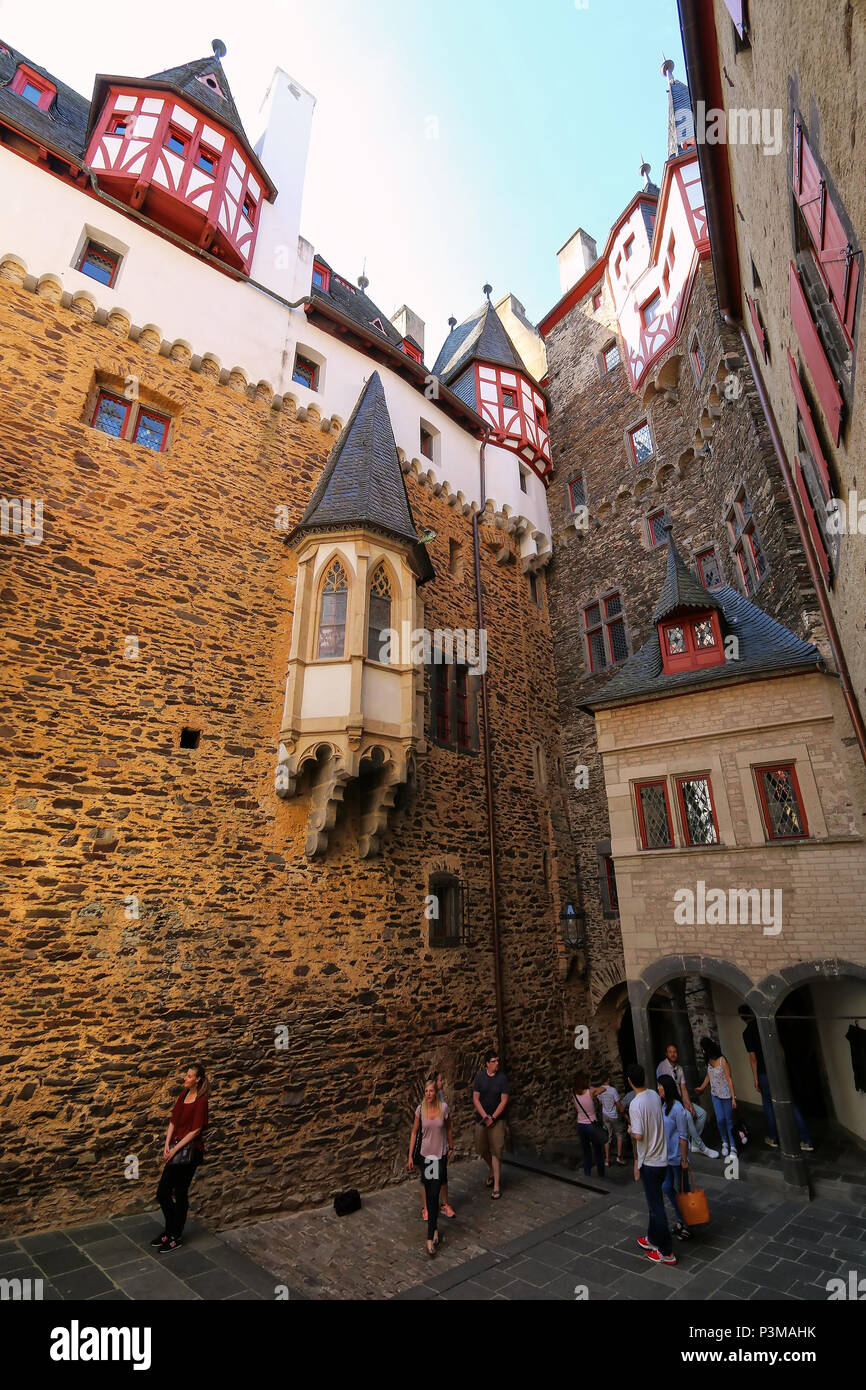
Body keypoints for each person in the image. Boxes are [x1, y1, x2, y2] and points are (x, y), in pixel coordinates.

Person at [738, 1005, 813, 1151]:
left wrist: (755, 1078)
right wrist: (782, 1068)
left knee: (768, 1106)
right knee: (790, 1103)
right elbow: (780, 1050)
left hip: (763, 1073)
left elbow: (753, 1058)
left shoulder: (747, 1033)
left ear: (742, 1017)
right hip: (776, 1070)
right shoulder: (766, 1025)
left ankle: (773, 1137)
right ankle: (806, 1139)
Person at [152, 1062, 209, 1254]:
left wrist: (175, 1148)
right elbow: (173, 1121)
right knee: (163, 1192)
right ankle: (170, 1230)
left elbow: (196, 1130)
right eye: (186, 1075)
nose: (186, 1078)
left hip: (190, 1152)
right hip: (175, 1147)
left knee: (181, 1191)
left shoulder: (201, 1100)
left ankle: (175, 1235)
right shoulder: (183, 1095)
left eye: (190, 1076)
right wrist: (167, 1144)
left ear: (198, 1079)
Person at [627, 1063, 676, 1265]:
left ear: (630, 1081)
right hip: (661, 1158)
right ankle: (652, 1238)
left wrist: (630, 1130)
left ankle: (666, 1251)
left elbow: (638, 1134)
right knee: (653, 1203)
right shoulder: (655, 1096)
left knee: (656, 1207)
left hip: (650, 1162)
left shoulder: (636, 1104)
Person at [408, 1077, 453, 1256]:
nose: (428, 1094)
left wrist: (451, 1145)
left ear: (436, 1092)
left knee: (435, 1193)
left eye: (431, 1091)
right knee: (432, 1194)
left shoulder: (443, 1108)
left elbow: (449, 1128)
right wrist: (410, 1155)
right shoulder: (421, 1110)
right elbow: (414, 1132)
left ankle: (431, 1231)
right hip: (427, 1157)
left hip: (439, 1155)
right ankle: (431, 1233)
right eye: (426, 1091)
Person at [656, 1043, 719, 1158]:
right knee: (688, 1116)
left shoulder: (679, 1068)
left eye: (675, 1051)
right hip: (670, 1101)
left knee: (702, 1114)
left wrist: (688, 1103)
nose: (673, 1054)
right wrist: (682, 1106)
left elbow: (683, 1088)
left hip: (680, 1100)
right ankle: (702, 1147)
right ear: (666, 1054)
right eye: (670, 1052)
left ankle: (694, 1143)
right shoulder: (662, 1067)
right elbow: (662, 1089)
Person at [658, 1073, 691, 1242]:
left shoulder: (678, 1109)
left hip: (678, 1156)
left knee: (683, 1190)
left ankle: (686, 1223)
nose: (658, 1090)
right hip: (667, 1156)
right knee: (667, 1187)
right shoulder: (664, 1107)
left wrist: (684, 1159)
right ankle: (681, 1217)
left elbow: (683, 1136)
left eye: (661, 1087)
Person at [472, 1050, 509, 1199]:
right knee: (481, 1148)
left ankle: (496, 1186)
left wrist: (493, 1117)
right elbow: (476, 1099)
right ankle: (493, 1170)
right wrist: (485, 1116)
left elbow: (504, 1100)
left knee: (496, 1151)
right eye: (493, 1061)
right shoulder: (480, 1077)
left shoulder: (502, 1079)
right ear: (487, 1063)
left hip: (497, 1120)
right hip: (482, 1119)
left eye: (497, 1061)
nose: (496, 1064)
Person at [696, 1037, 737, 1157]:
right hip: (716, 1095)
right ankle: (724, 1141)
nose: (703, 1052)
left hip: (726, 1095)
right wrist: (702, 1088)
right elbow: (709, 1076)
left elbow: (729, 1079)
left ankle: (733, 1145)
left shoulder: (722, 1060)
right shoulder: (708, 1061)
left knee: (729, 1120)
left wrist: (733, 1097)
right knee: (720, 1120)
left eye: (703, 1049)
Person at [571, 1072, 607, 1178]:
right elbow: (603, 1089)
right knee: (598, 1152)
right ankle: (601, 1176)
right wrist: (592, 1088)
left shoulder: (574, 1094)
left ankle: (587, 1174)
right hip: (592, 1125)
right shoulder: (591, 1092)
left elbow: (577, 1109)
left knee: (586, 1151)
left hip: (581, 1124)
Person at [434, 1070, 456, 1218]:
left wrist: (450, 1144)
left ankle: (444, 1204)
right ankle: (430, 1205)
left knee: (443, 1176)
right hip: (431, 1147)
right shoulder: (427, 1102)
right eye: (441, 1080)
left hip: (441, 1144)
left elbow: (448, 1124)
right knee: (431, 1177)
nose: (443, 1082)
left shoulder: (441, 1098)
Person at [597, 1072, 627, 1165]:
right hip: (613, 1115)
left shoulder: (600, 1090)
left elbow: (600, 1103)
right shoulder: (613, 1090)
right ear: (608, 1079)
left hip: (605, 1115)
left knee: (607, 1137)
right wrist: (623, 1110)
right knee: (619, 1134)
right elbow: (618, 1104)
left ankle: (607, 1159)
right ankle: (619, 1157)